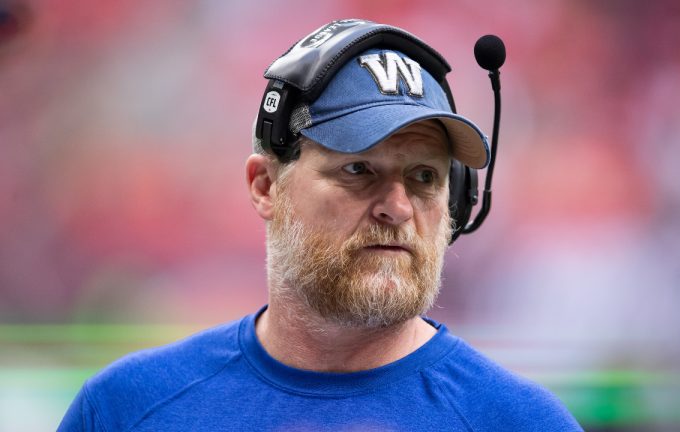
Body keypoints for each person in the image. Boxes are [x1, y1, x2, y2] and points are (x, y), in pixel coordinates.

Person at [59, 20, 582, 431]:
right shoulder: (124, 410)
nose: (397, 207)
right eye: (358, 169)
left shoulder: (521, 422)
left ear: (458, 201)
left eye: (425, 177)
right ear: (266, 185)